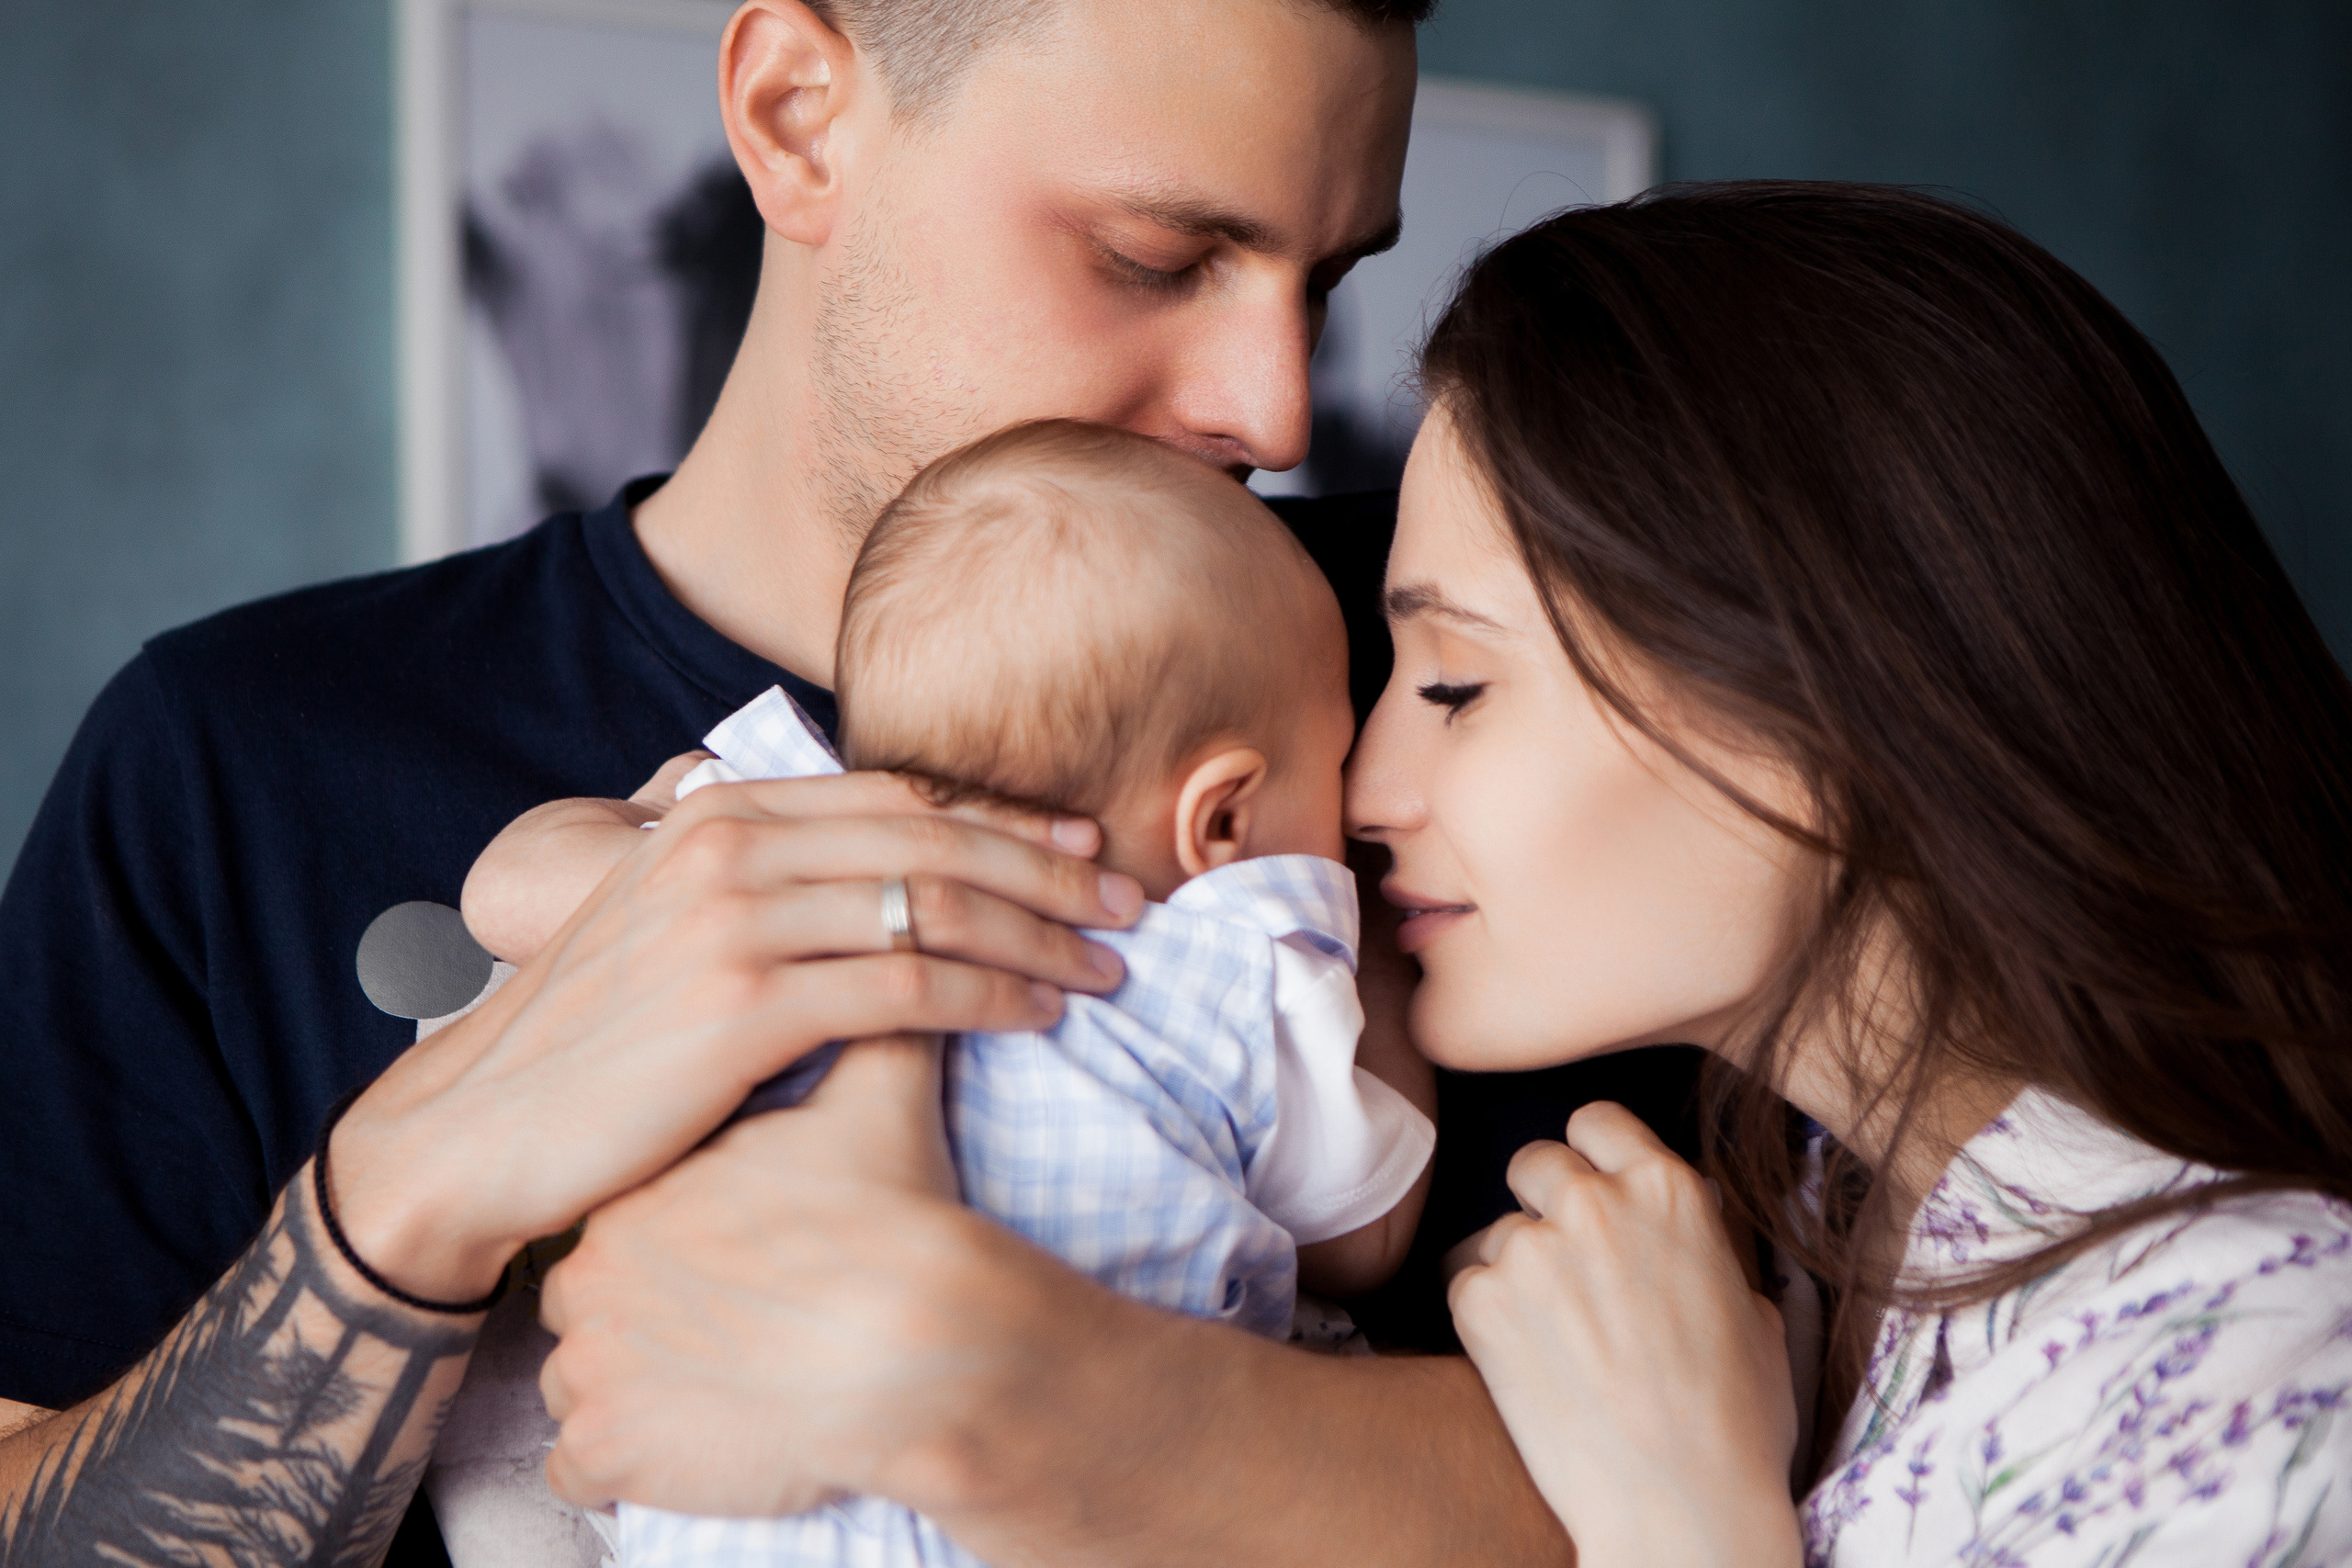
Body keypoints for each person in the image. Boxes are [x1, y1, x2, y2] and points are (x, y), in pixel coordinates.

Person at [0, 1, 1636, 1562]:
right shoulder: (237, 756)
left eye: (1329, 281)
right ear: (797, 120)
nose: (1276, 409)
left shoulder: (1428, 691)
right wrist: (413, 1190)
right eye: (1161, 256)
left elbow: (1759, 1480)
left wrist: (995, 1382)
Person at [1327, 183, 2352, 1564]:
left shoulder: (2277, 1367)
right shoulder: (1809, 1237)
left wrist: (1680, 1518)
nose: (1364, 790)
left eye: (1454, 682)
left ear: (1827, 697)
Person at [464, 420, 1435, 1565]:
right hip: (1051, 1513)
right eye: (1331, 771)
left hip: (730, 1506)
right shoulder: (1228, 976)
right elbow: (1362, 1236)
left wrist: (644, 860)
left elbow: (502, 891)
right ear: (1220, 819)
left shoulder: (786, 839)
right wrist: (1353, 929)